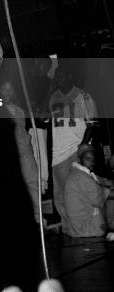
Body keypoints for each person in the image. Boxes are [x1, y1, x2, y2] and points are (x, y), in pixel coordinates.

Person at [48, 59, 97, 234]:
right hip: (57, 154)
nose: (58, 79)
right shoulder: (53, 97)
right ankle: (70, 231)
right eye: (57, 76)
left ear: (69, 76)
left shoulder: (83, 96)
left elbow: (91, 124)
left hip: (74, 151)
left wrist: (82, 149)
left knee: (76, 195)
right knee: (60, 196)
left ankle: (84, 229)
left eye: (61, 75)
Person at [0, 78, 41, 223]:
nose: (7, 93)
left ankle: (37, 217)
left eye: (10, 90)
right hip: (6, 153)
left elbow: (22, 131)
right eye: (4, 89)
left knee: (32, 181)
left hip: (24, 151)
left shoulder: (19, 110)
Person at [64, 143, 114, 237]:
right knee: (109, 200)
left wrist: (109, 183)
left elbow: (104, 181)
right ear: (79, 160)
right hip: (86, 229)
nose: (92, 162)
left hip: (77, 228)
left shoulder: (79, 172)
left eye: (93, 159)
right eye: (87, 159)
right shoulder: (80, 177)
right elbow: (101, 196)